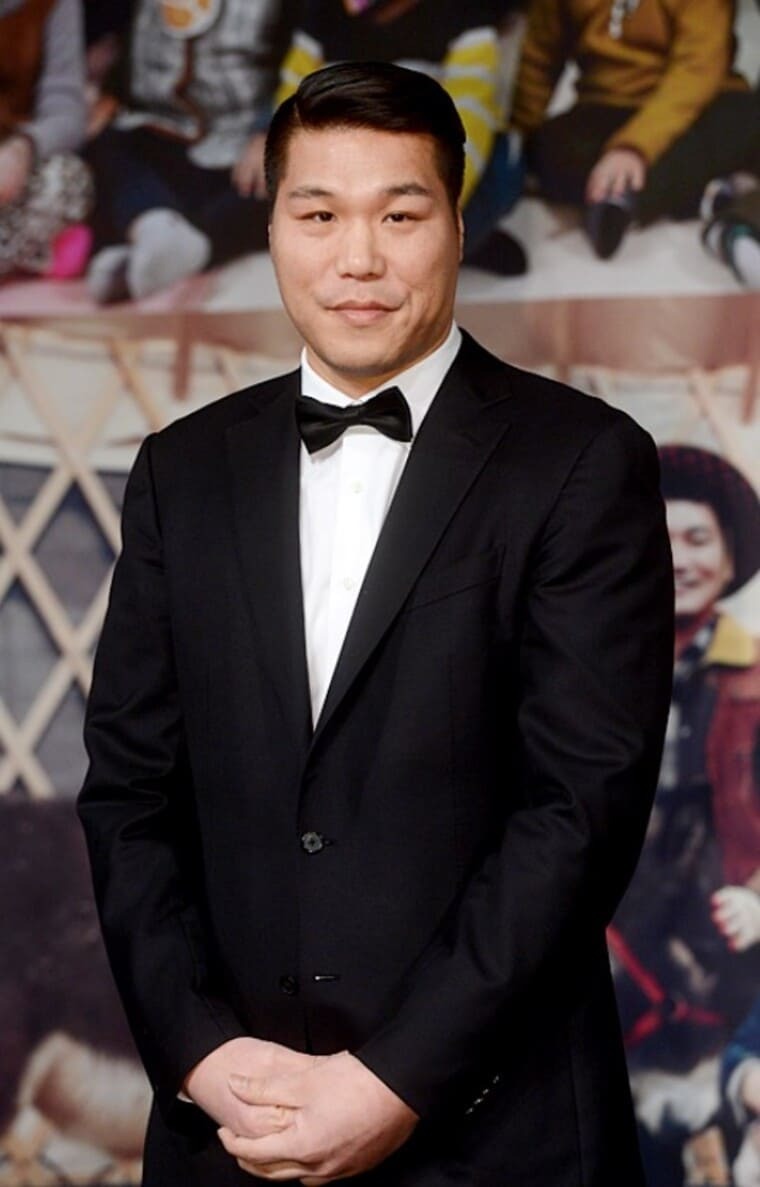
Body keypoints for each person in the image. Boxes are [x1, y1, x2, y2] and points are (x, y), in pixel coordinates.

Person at [78, 62, 674, 1186]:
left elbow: (579, 809)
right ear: (272, 228)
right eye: (318, 215)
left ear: (455, 226)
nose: (357, 258)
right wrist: (202, 1053)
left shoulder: (583, 463)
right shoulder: (180, 470)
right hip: (230, 1130)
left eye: (399, 215)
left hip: (496, 1136)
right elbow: (128, 793)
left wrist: (393, 1079)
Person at [610, 444, 760, 1187]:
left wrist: (759, 895)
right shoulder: (589, 661)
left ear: (729, 559)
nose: (681, 558)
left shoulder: (755, 676)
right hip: (607, 938)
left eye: (698, 539)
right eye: (662, 537)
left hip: (716, 948)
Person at [275, 0, 527, 275]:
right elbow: (293, 101)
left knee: (501, 170)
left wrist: (439, 196)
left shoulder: (464, 16)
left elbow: (471, 112)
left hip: (432, 163)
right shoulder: (321, 16)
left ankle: (460, 241)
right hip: (349, 165)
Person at [510, 0, 760, 259]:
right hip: (607, 104)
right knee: (548, 147)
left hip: (694, 103)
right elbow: (540, 57)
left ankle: (620, 196)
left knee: (743, 119)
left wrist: (633, 148)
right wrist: (517, 134)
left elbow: (697, 69)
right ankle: (695, 194)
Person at [83, 0, 291, 303]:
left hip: (241, 143)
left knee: (286, 183)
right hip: (156, 127)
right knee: (107, 147)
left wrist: (269, 128)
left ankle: (183, 248)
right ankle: (153, 225)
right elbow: (115, 33)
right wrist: (109, 90)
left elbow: (303, 57)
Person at [0, 0, 92, 279]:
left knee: (67, 179)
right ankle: (38, 253)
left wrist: (23, 149)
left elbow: (67, 111)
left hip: (14, 157)